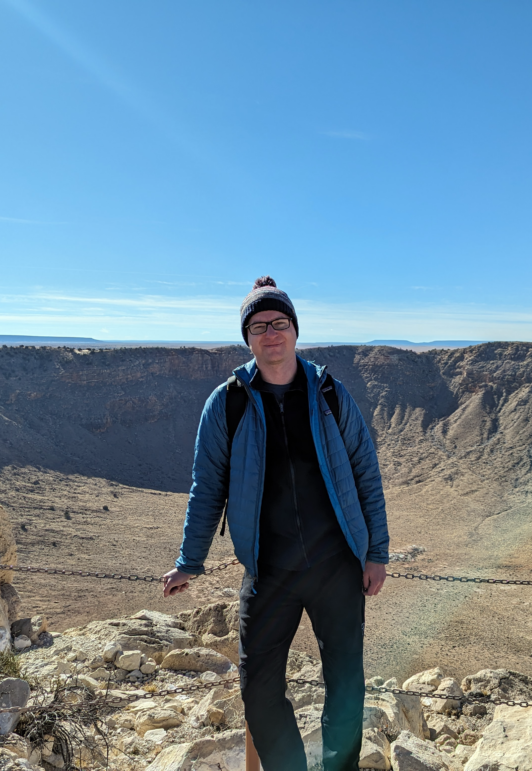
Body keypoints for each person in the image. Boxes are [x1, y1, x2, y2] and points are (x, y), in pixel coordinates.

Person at [161, 276, 390, 771]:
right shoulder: (228, 402)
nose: (271, 333)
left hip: (337, 565)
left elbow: (366, 472)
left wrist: (377, 553)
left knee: (346, 686)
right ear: (247, 337)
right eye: (259, 325)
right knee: (258, 690)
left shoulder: (329, 392)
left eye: (279, 323)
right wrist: (190, 560)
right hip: (268, 572)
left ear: (295, 331)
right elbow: (208, 486)